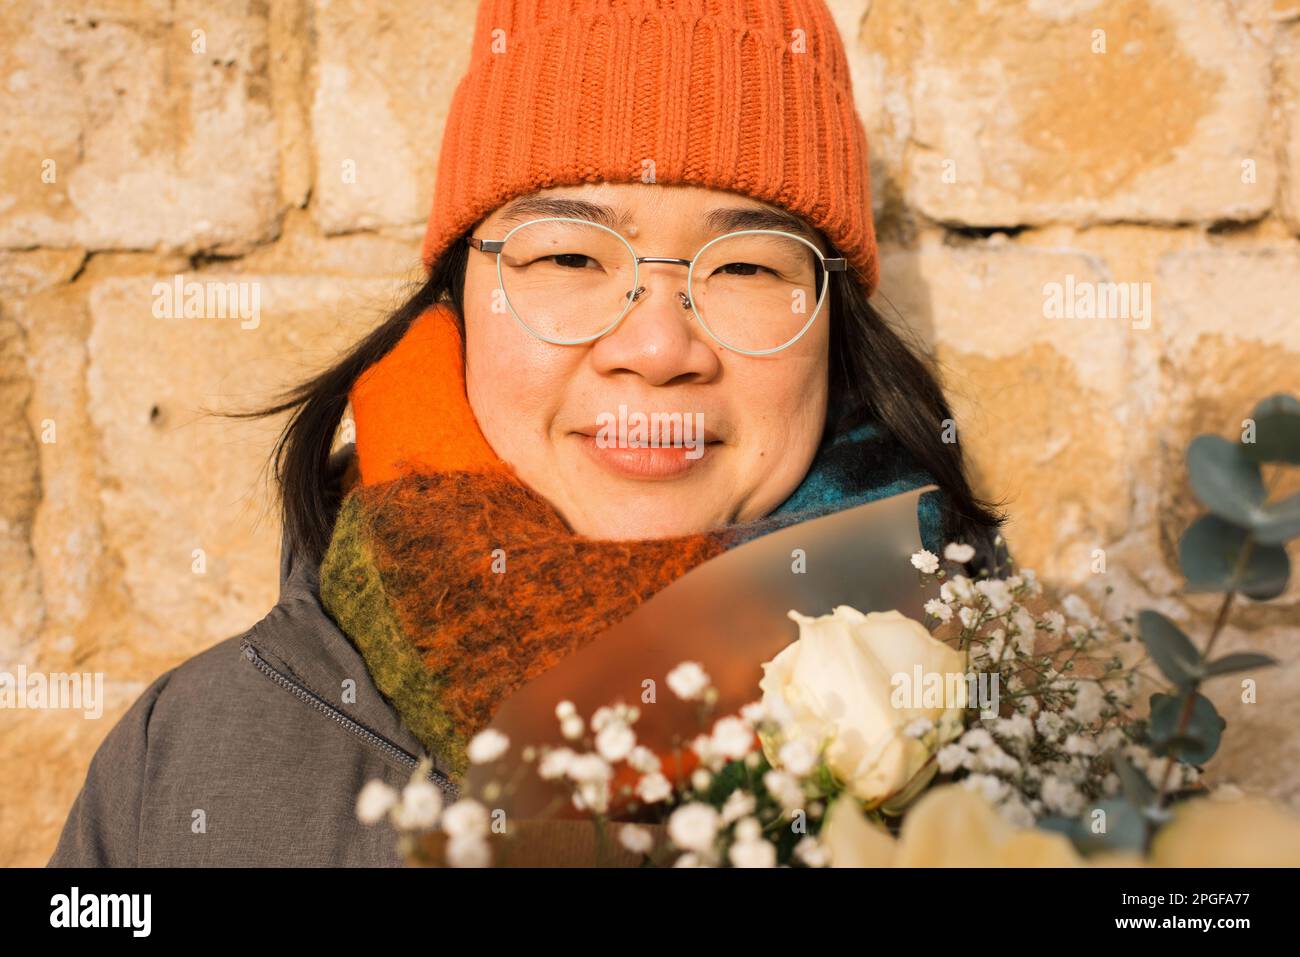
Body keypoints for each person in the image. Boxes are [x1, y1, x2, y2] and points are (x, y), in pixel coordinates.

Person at [48, 0, 1007, 867]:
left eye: (749, 267)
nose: (658, 344)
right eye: (569, 254)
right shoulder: (186, 769)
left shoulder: (1008, 746)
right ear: (455, 302)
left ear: (837, 330)